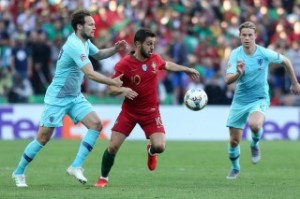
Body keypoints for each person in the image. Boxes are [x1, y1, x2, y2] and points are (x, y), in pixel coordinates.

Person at [12, 9, 128, 187]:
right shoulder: (74, 45)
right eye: (90, 24)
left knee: (96, 125)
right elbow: (89, 73)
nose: (94, 26)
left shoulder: (85, 42)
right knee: (43, 138)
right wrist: (112, 81)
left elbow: (98, 55)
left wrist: (115, 49)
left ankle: (76, 166)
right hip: (57, 98)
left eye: (94, 24)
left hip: (74, 96)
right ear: (79, 26)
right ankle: (19, 172)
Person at [94, 28, 200, 188]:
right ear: (137, 44)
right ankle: (103, 178)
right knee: (113, 146)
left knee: (160, 146)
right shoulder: (124, 64)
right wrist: (122, 89)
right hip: (129, 112)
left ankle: (151, 151)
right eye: (149, 44)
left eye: (154, 44)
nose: (152, 47)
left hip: (151, 112)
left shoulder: (155, 59)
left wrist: (186, 69)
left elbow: (167, 65)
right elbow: (111, 88)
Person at [225, 21, 300, 179]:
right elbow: (228, 80)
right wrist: (239, 73)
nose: (247, 38)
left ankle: (254, 144)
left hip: (259, 98)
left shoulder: (264, 53)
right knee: (233, 141)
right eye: (244, 35)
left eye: (250, 35)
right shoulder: (235, 54)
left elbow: (286, 60)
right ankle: (235, 168)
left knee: (254, 124)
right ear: (239, 36)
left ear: (255, 36)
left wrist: (294, 83)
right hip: (240, 100)